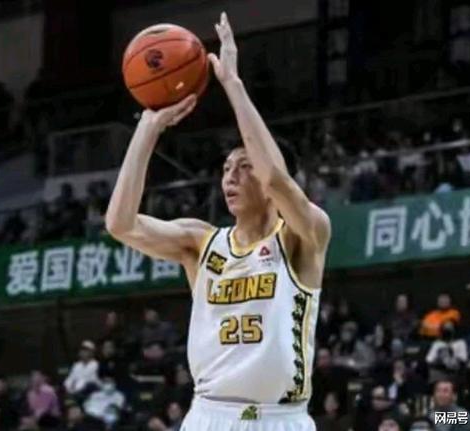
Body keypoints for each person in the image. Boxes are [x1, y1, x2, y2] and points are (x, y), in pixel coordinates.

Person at [105, 12, 331, 431]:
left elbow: (276, 178)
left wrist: (232, 84)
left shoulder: (304, 235)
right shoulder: (201, 242)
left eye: (244, 167)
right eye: (226, 169)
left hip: (278, 419)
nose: (230, 177)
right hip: (208, 416)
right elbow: (120, 223)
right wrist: (148, 129)